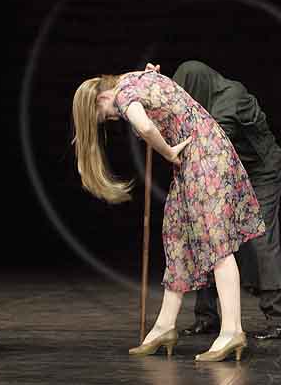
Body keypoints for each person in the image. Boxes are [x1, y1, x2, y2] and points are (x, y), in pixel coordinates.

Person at [72, 70, 265, 361]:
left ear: (102, 97)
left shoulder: (123, 95)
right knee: (176, 236)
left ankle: (232, 331)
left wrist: (167, 152)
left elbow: (145, 127)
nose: (113, 119)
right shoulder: (134, 79)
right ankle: (164, 326)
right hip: (197, 159)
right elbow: (151, 87)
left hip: (206, 158)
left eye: (106, 115)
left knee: (217, 243)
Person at [158, 61, 281, 341]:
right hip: (221, 171)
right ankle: (206, 317)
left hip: (260, 172)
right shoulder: (199, 100)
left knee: (261, 238)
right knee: (209, 237)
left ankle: (279, 317)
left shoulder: (231, 98)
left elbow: (211, 142)